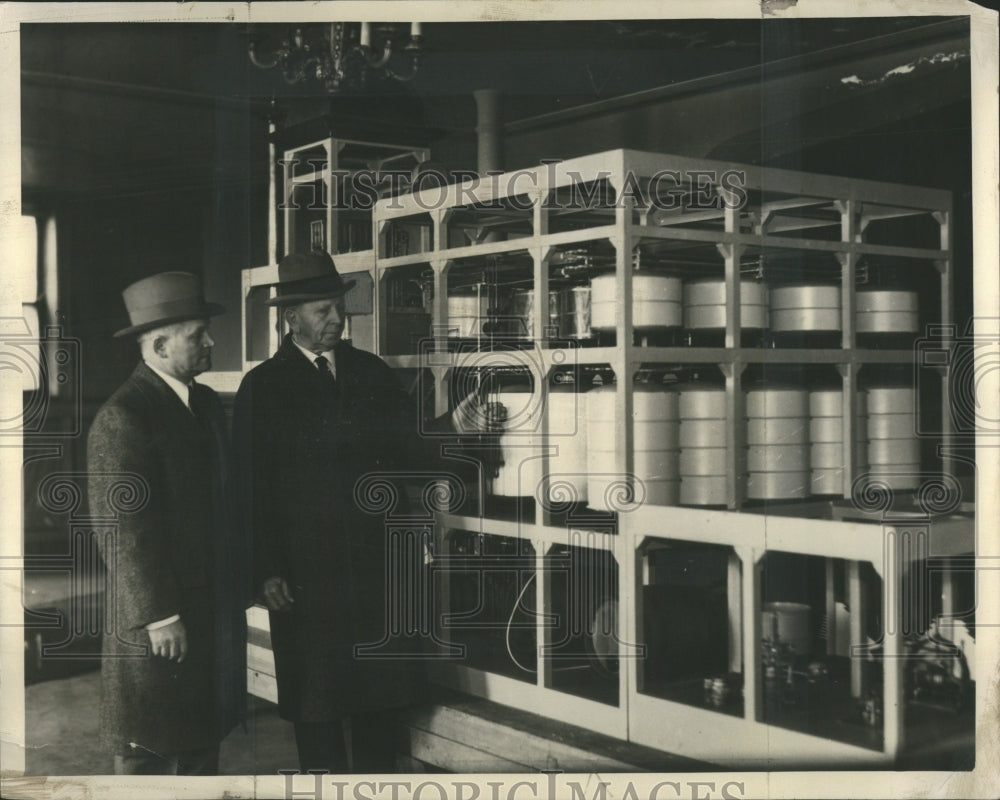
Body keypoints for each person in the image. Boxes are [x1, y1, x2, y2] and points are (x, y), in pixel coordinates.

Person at [233, 251, 494, 773]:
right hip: (307, 586)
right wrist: (263, 571)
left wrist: (455, 427)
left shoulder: (369, 372)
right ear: (291, 317)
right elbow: (247, 492)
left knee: (378, 717)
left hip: (374, 579)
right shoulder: (263, 387)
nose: (336, 320)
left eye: (339, 308)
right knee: (319, 722)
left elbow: (410, 447)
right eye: (322, 310)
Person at [87, 271, 249, 775]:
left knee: (201, 745)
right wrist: (159, 615)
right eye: (197, 334)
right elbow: (122, 529)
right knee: (148, 755)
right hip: (162, 622)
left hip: (207, 610)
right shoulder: (124, 416)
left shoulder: (200, 401)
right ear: (159, 344)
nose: (211, 342)